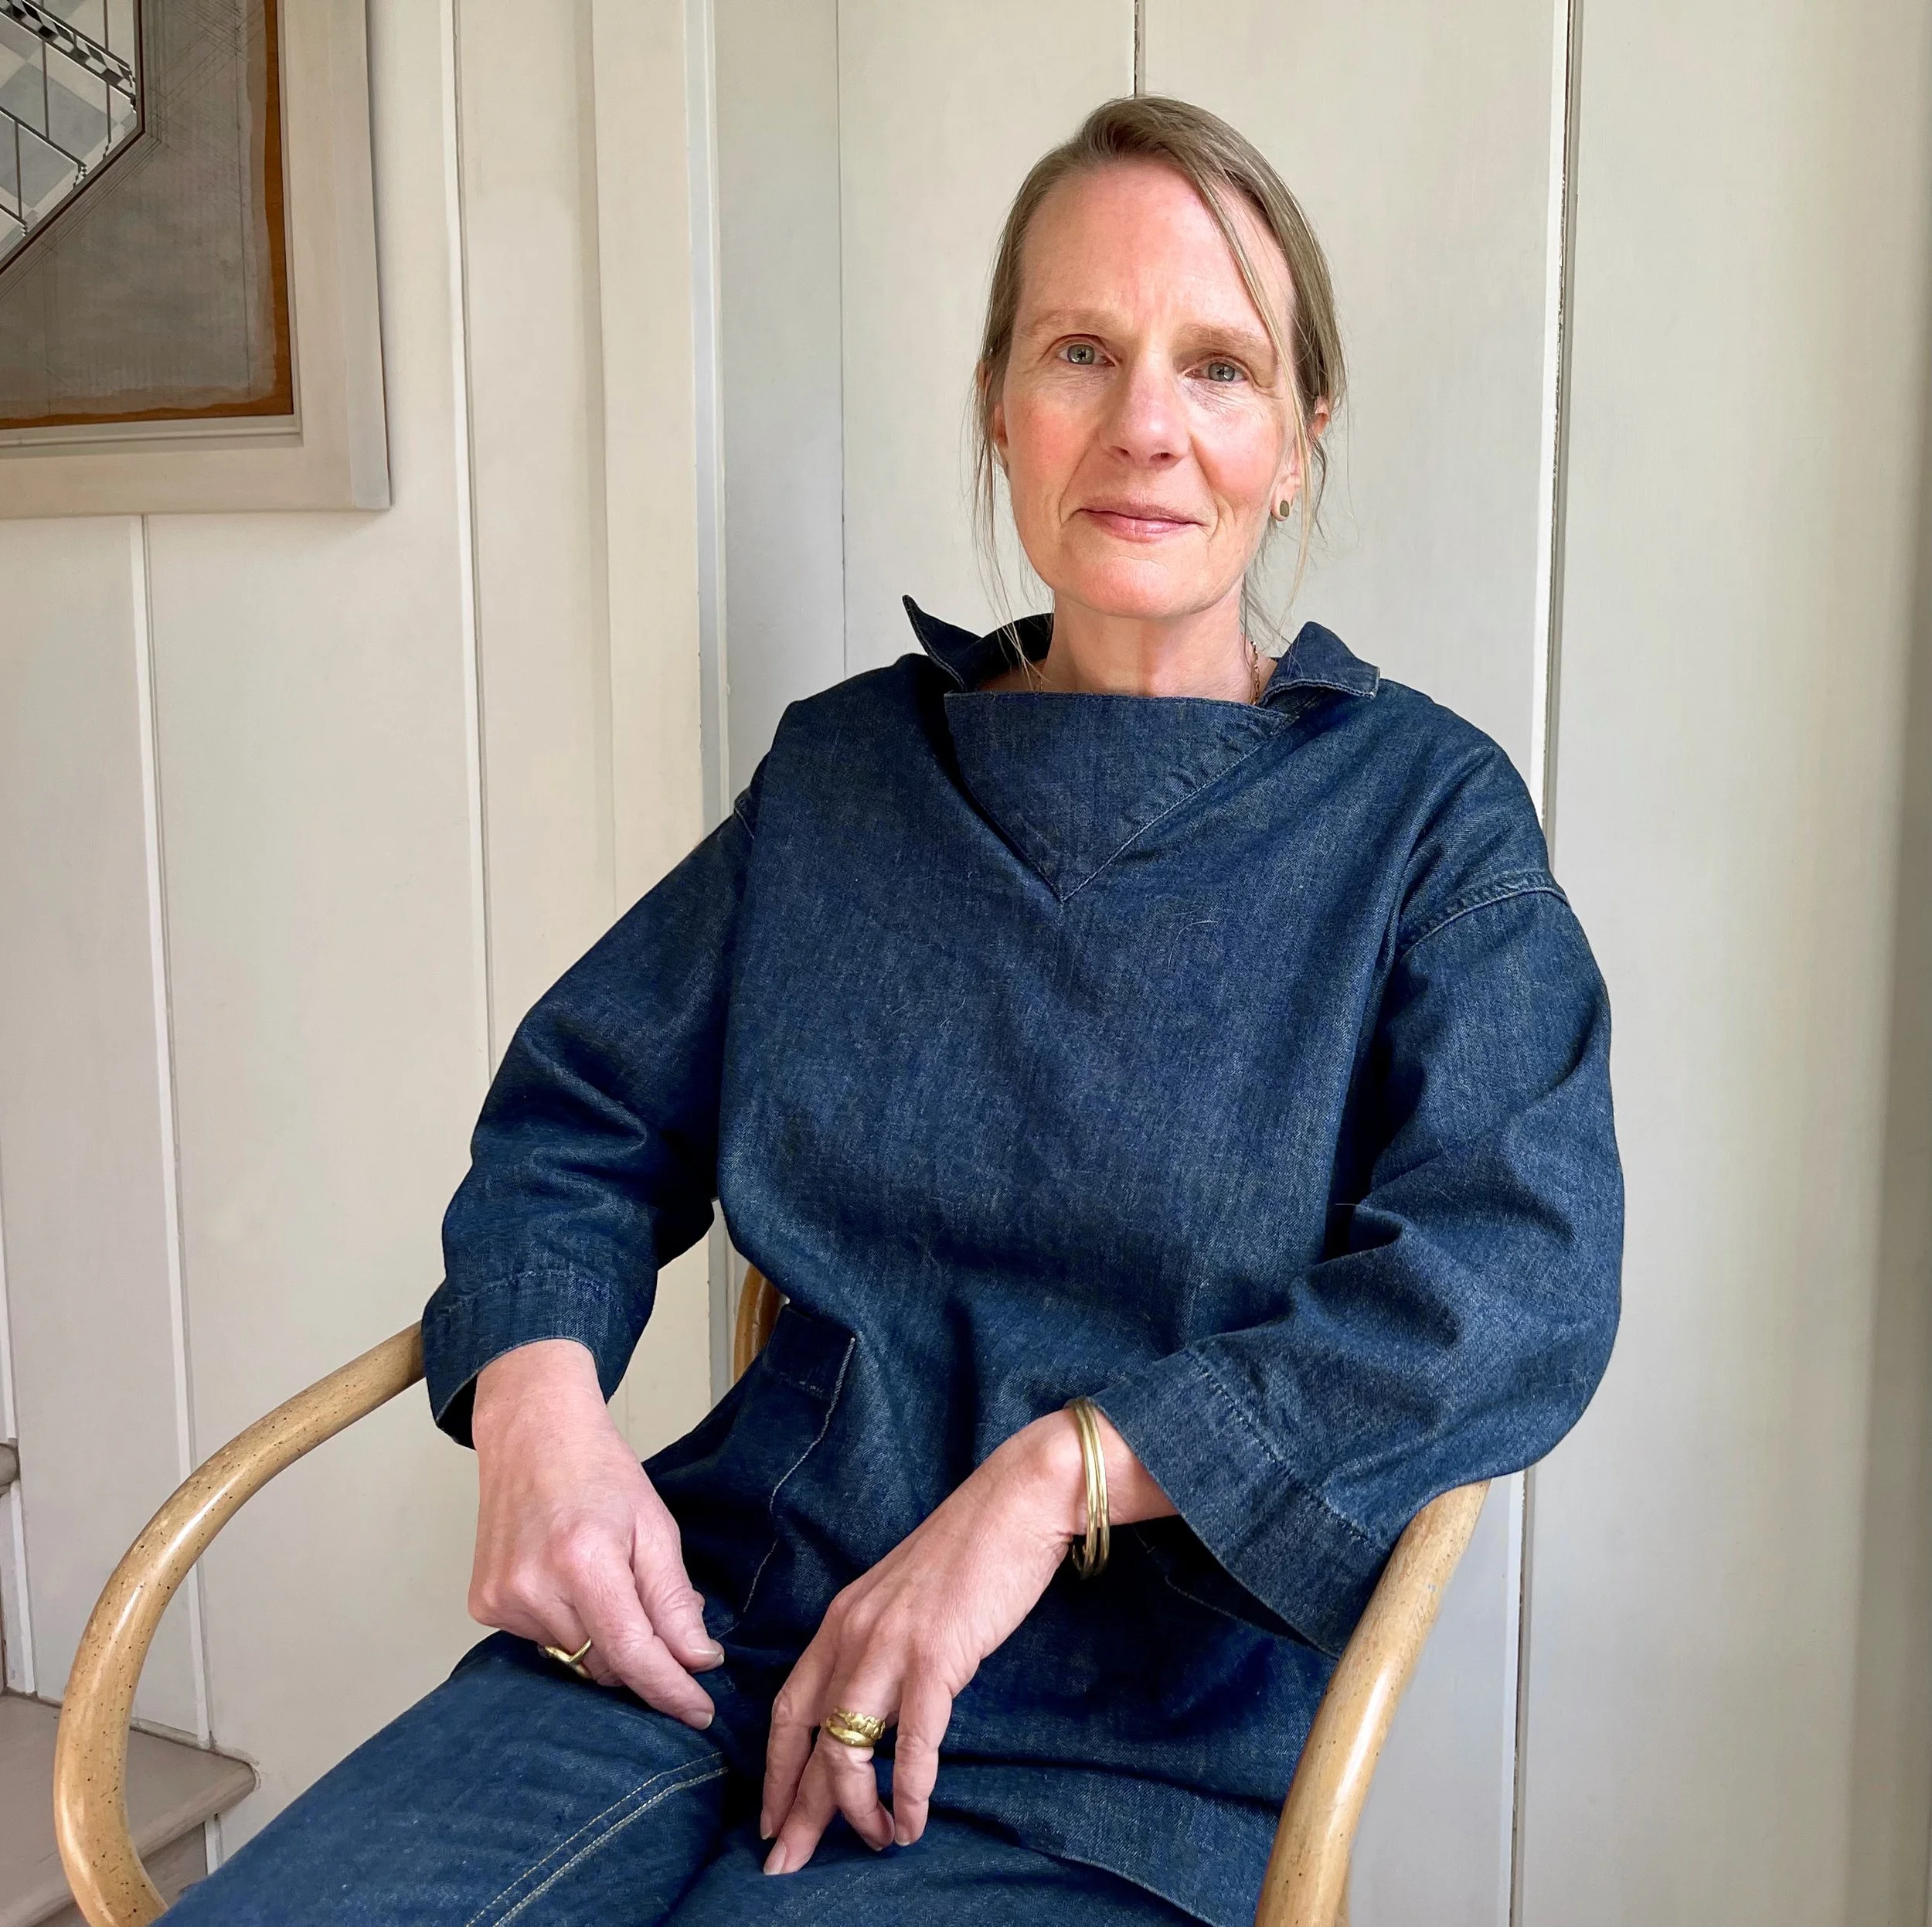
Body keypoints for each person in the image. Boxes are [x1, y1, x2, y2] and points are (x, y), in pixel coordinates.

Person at [165, 94, 1621, 1927]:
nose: (1143, 428)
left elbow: (1512, 1277)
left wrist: (1048, 1479)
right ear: (999, 403)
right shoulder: (847, 775)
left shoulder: (1419, 820)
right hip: (696, 1648)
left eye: (1219, 367)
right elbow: (578, 1117)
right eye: (1078, 351)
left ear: (1298, 436)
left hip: (1117, 1751)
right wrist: (538, 1407)